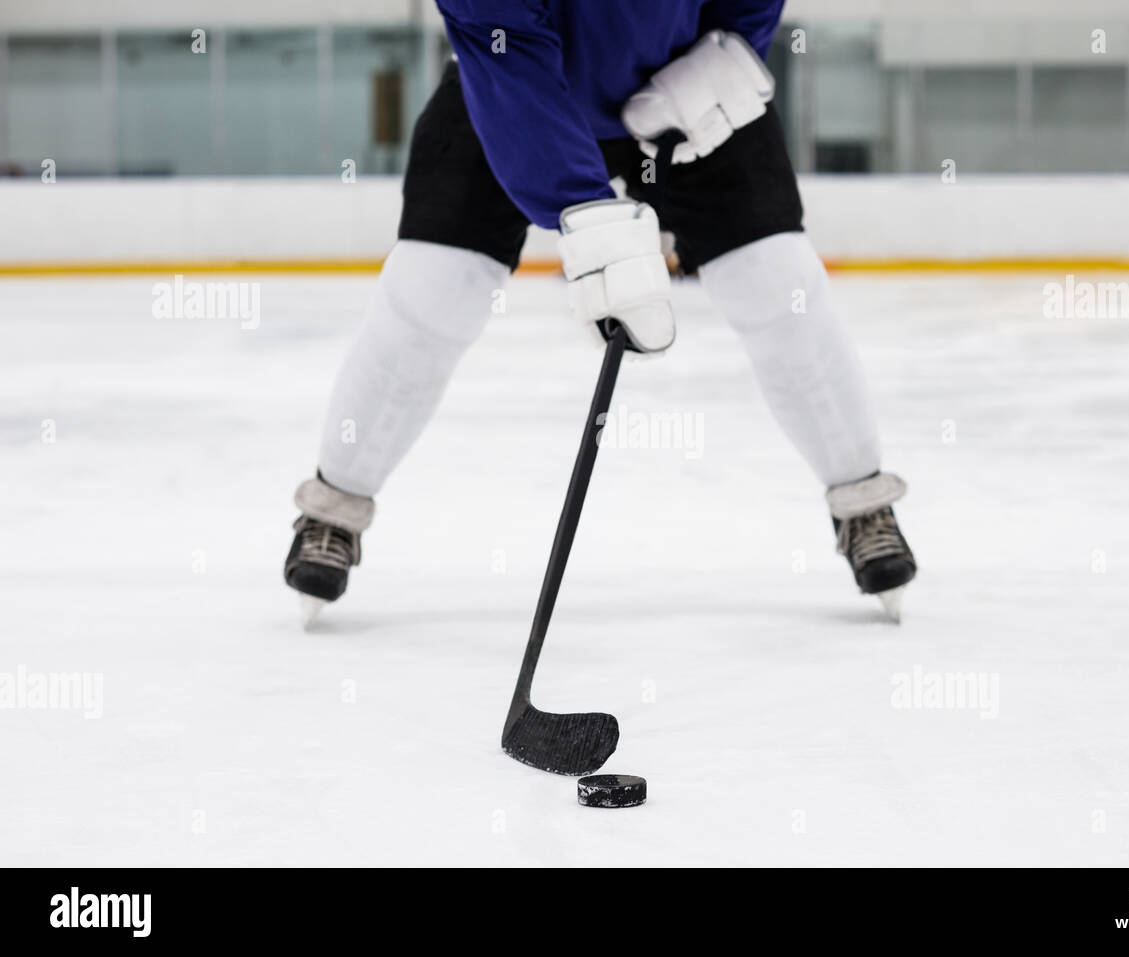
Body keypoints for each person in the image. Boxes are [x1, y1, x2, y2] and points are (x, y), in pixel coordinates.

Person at [284, 0, 917, 623]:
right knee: (431, 291)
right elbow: (501, 33)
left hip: (686, 82)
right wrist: (594, 222)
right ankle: (333, 509)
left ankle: (864, 502)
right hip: (516, 89)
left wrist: (726, 53)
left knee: (782, 285)